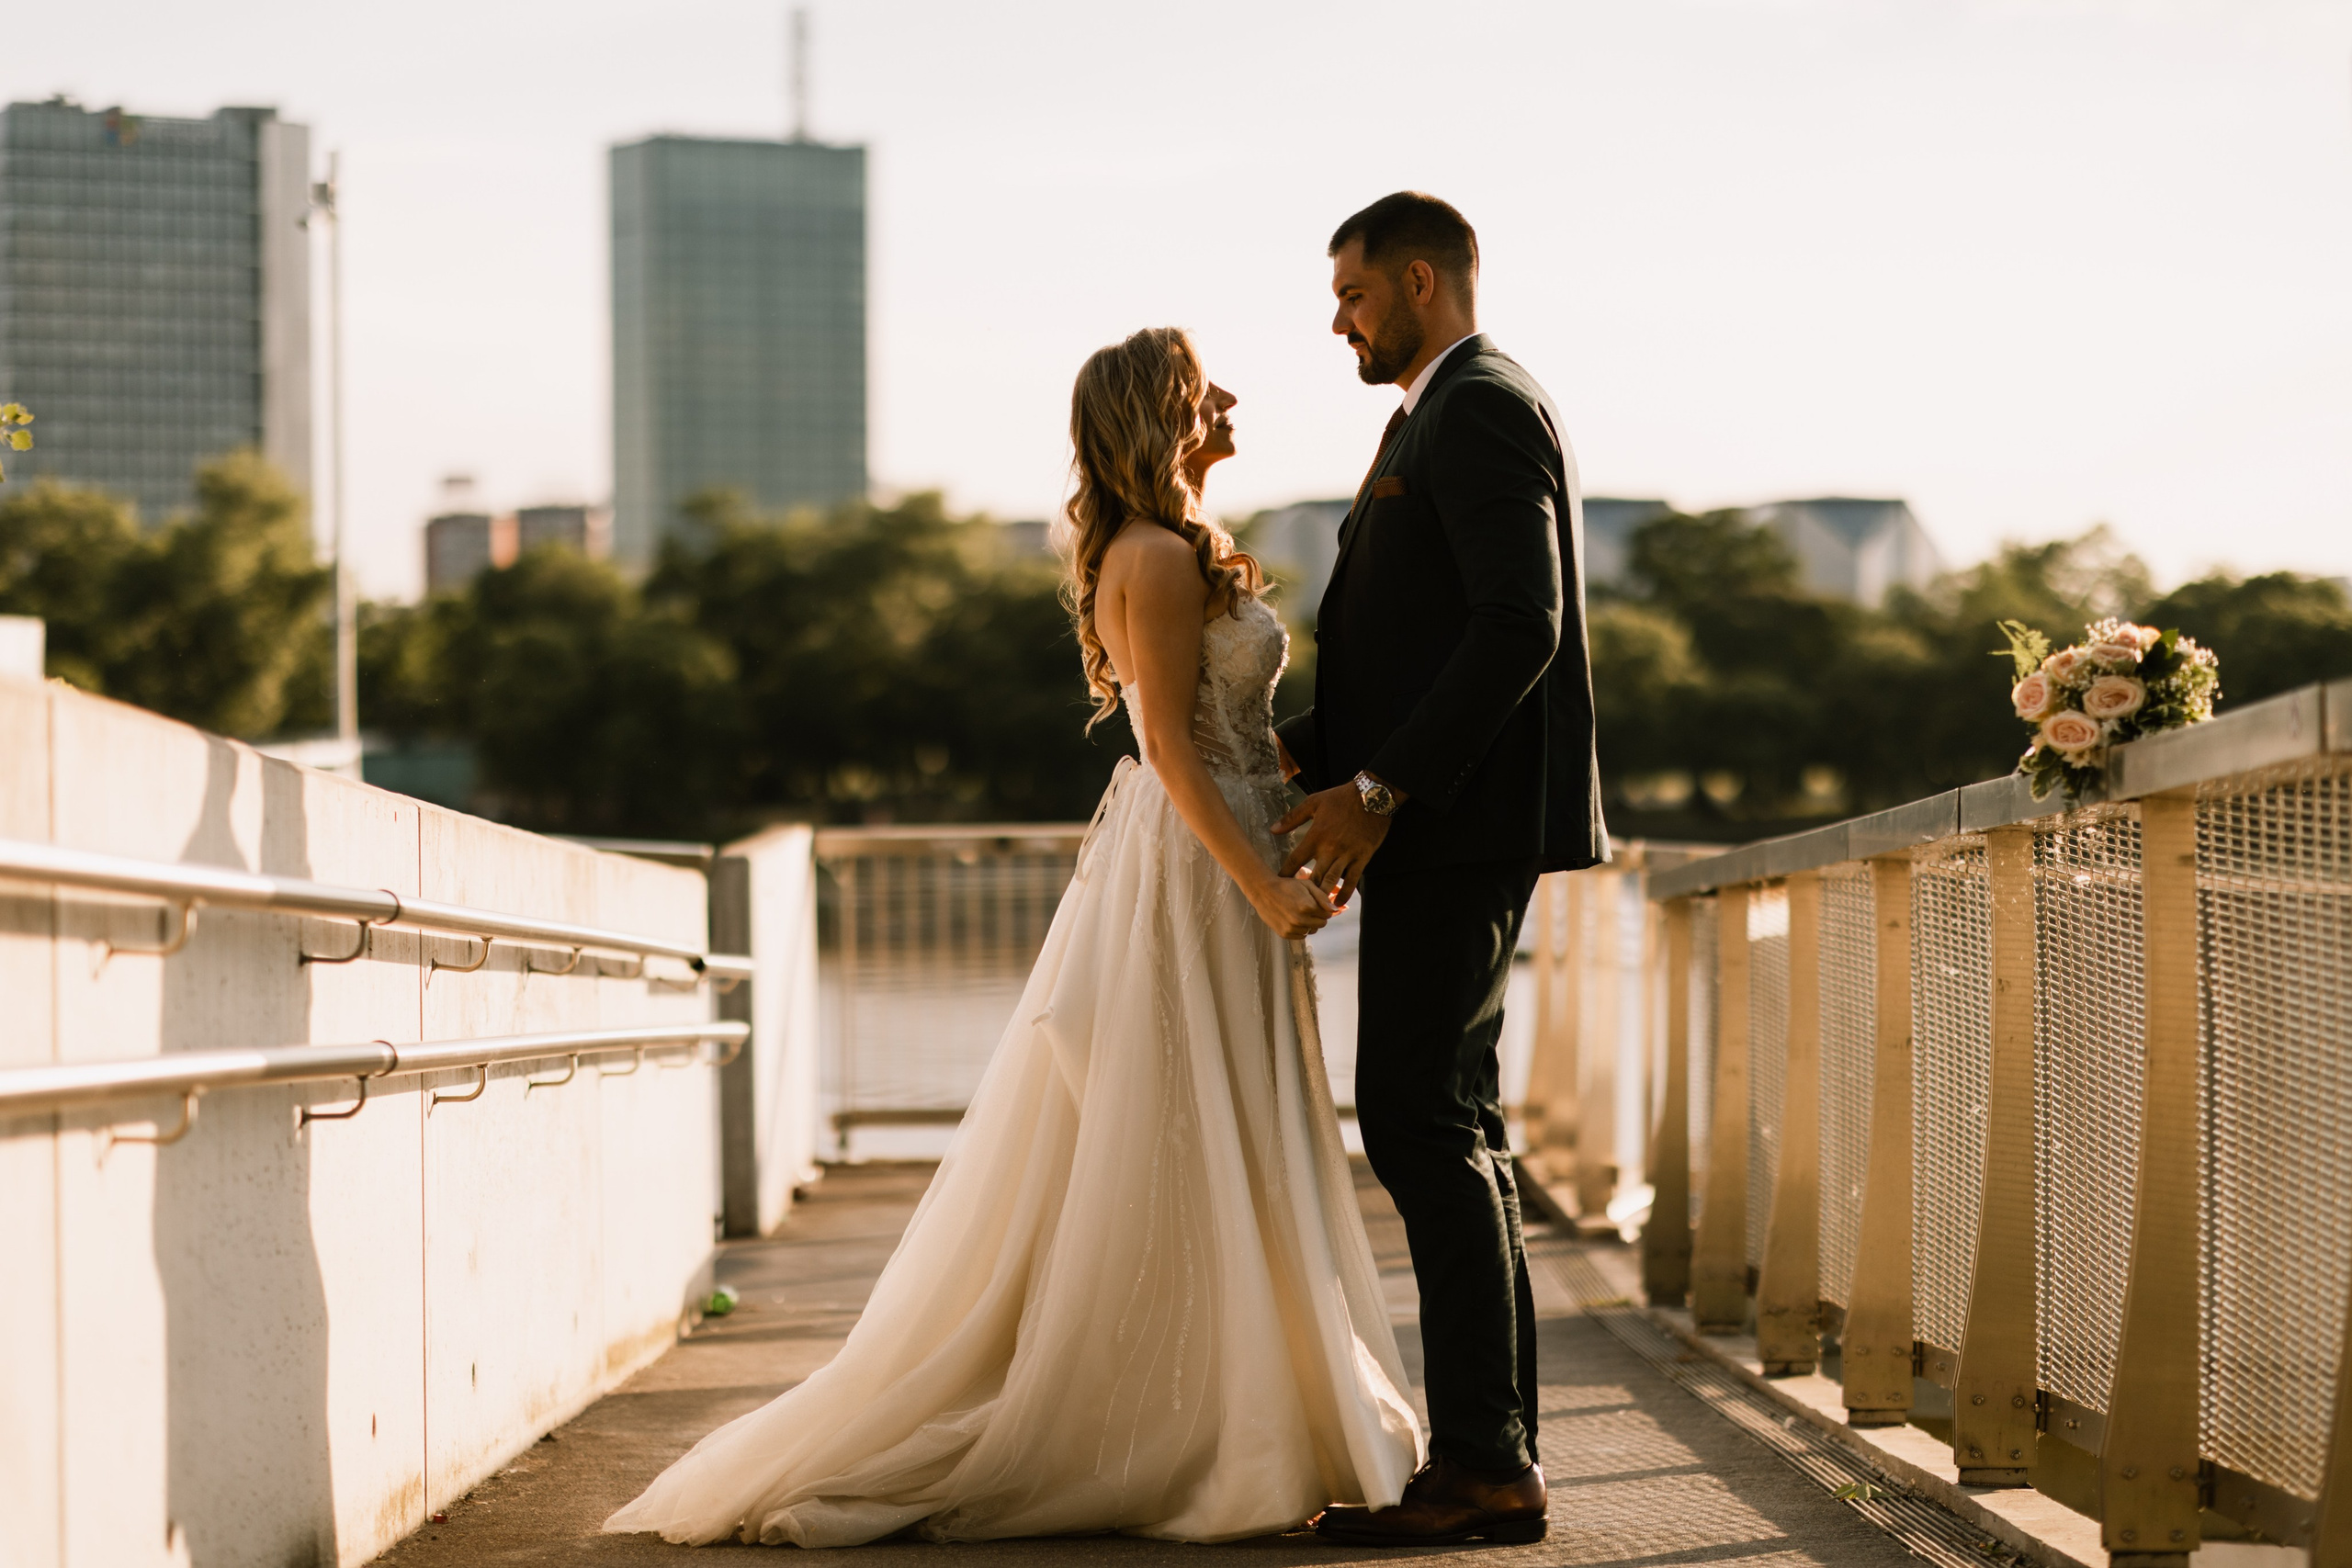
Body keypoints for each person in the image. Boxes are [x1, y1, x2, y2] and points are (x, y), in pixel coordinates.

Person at [603, 326, 1422, 1548]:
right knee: (1182, 1122)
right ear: (1163, 417)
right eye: (1209, 391)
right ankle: (1199, 1430)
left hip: (1234, 855)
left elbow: (1237, 734)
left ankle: (1248, 1412)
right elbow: (1166, 752)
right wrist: (1257, 880)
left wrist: (1308, 814)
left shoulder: (1179, 552)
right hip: (1195, 873)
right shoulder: (1146, 556)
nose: (1236, 399)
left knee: (1231, 1129)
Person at [1278, 191, 1607, 1548]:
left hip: (1455, 827)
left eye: (1352, 292)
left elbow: (1516, 624)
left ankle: (1483, 1460)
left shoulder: (1475, 404)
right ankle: (1493, 1454)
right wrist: (1281, 754)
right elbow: (1415, 647)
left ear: (1421, 279)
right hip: (1445, 821)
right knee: (1452, 1127)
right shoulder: (1434, 410)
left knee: (1419, 1119)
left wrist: (1379, 791)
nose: (1336, 318)